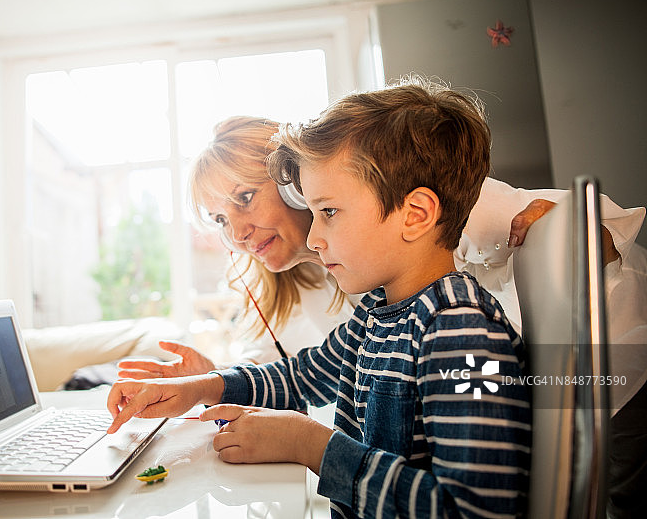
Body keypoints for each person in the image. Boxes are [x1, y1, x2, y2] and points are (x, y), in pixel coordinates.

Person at [106, 77, 531, 517]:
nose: (313, 236)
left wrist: (311, 445)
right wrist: (200, 387)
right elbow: (301, 376)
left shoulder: (461, 332)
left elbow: (478, 511)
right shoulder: (376, 316)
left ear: (416, 215)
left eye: (328, 212)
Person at [116, 116, 647, 417]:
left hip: (615, 361)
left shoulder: (415, 215)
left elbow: (585, 228)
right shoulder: (319, 281)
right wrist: (208, 380)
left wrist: (574, 233)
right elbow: (306, 373)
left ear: (293, 183)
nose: (234, 231)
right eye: (218, 218)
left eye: (245, 198)